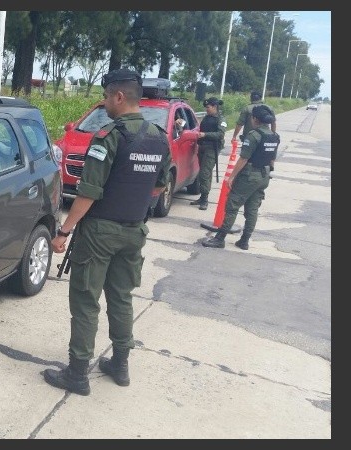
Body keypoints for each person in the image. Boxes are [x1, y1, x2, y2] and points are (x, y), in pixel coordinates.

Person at [42, 68, 171, 396]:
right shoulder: (159, 137)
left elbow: (88, 192)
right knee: (121, 297)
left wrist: (64, 230)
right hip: (134, 231)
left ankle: (77, 372)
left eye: (106, 96)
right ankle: (121, 364)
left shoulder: (109, 136)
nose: (104, 103)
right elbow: (158, 186)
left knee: (86, 299)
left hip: (100, 232)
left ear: (119, 96)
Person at [203, 105, 279, 250]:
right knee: (252, 209)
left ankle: (220, 238)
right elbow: (272, 159)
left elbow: (243, 159)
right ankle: (244, 240)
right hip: (264, 176)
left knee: (232, 206)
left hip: (249, 176)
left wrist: (232, 177)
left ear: (255, 119)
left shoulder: (254, 135)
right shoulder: (274, 136)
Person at [190, 97, 227, 210]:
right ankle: (202, 197)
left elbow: (220, 135)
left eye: (208, 107)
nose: (207, 109)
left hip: (212, 149)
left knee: (205, 173)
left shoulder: (221, 120)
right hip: (202, 147)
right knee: (205, 173)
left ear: (214, 107)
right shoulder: (207, 117)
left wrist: (205, 135)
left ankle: (205, 199)